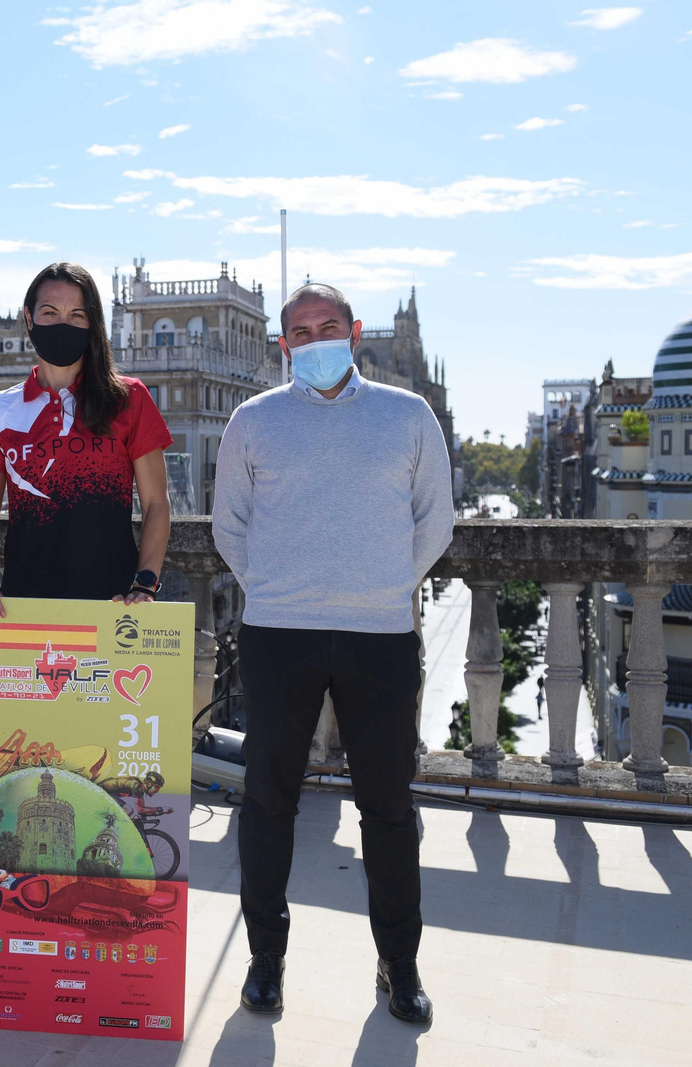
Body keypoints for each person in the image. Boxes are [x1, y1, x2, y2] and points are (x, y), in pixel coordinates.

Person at [213, 282, 453, 1025]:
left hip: (379, 637)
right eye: (300, 330)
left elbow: (435, 521)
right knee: (267, 803)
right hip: (278, 636)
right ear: (283, 345)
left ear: (352, 331)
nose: (316, 338)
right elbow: (231, 526)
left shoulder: (408, 416)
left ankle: (399, 965)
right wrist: (284, 593)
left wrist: (377, 588)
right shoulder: (253, 420)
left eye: (329, 325)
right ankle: (265, 962)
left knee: (387, 808)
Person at [0, 262, 172, 616]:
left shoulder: (130, 399)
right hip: (24, 606)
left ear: (92, 323)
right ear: (29, 318)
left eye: (77, 314)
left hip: (115, 608)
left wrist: (145, 583)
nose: (63, 323)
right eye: (49, 312)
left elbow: (156, 504)